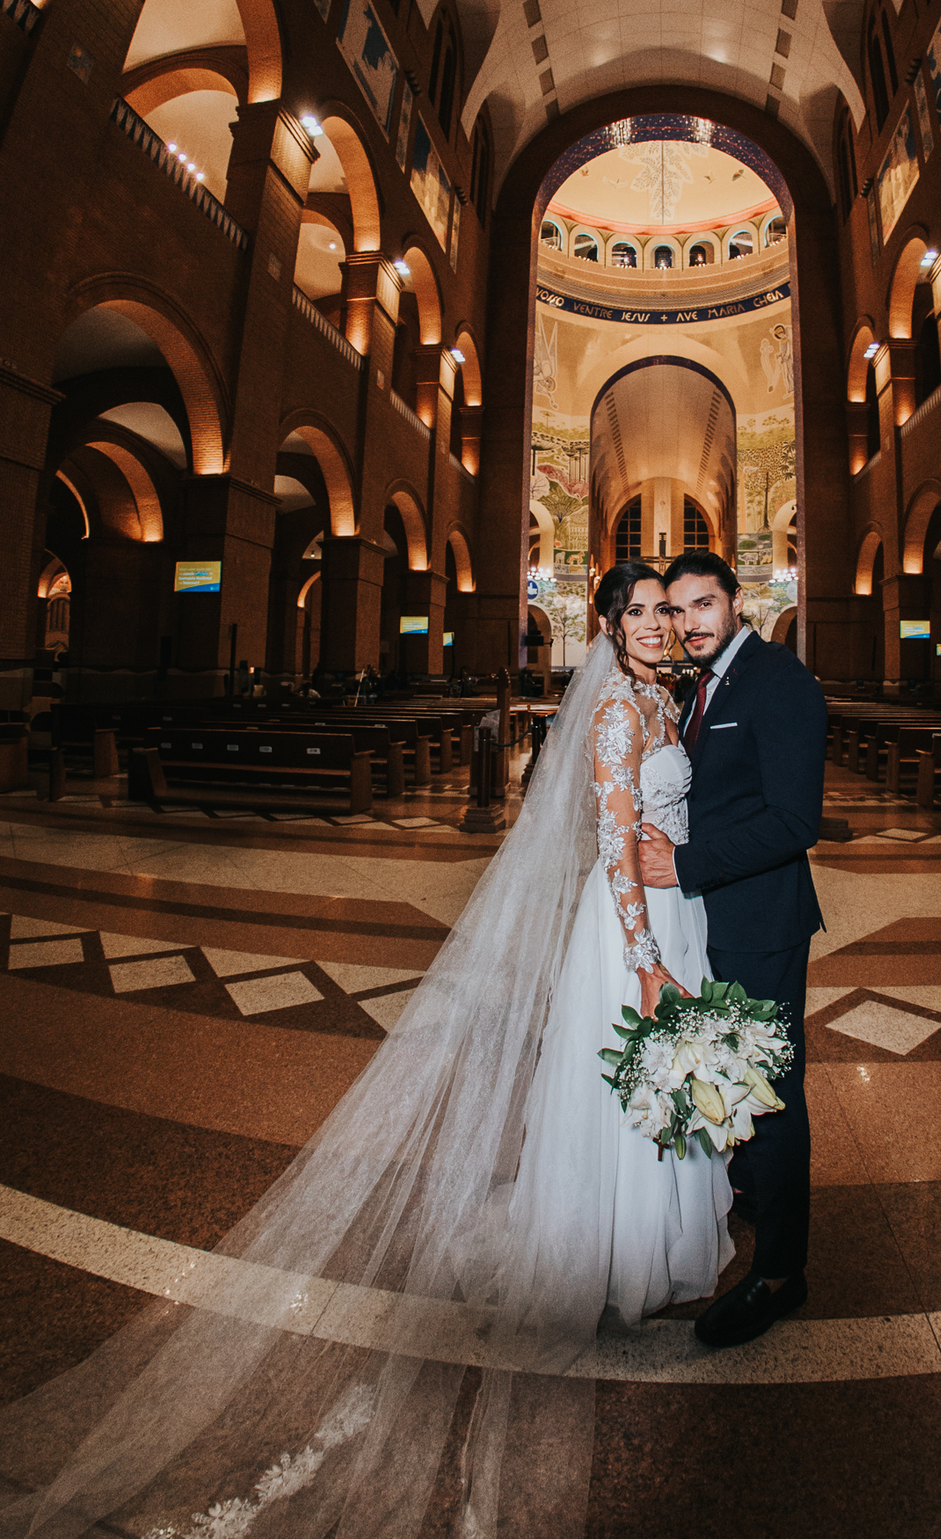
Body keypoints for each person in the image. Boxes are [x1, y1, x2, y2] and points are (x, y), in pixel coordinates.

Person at [0, 563, 729, 1539]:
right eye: (633, 612)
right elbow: (614, 842)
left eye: (661, 610)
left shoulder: (664, 701)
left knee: (658, 1080)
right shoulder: (609, 715)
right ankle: (609, 1246)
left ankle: (654, 1237)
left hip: (680, 910)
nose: (651, 624)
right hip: (633, 929)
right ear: (604, 627)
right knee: (622, 1073)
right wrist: (641, 959)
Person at [640, 548, 826, 1349]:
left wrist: (682, 864)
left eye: (702, 605)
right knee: (735, 1072)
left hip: (760, 922)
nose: (688, 624)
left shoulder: (779, 681)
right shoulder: (705, 685)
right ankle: (751, 1186)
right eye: (676, 610)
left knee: (773, 1091)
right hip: (712, 920)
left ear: (737, 600)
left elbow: (794, 821)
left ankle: (782, 1273)